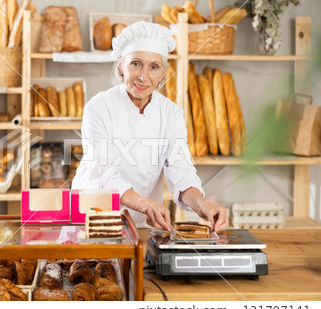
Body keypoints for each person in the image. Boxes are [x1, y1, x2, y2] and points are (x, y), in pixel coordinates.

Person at [71, 21, 228, 232]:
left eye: (154, 67)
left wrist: (201, 204)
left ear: (163, 72)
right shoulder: (98, 108)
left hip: (142, 223)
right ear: (120, 64)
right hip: (92, 217)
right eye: (135, 64)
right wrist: (146, 204)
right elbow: (105, 172)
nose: (144, 76)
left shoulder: (171, 113)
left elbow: (180, 169)